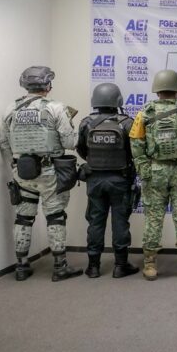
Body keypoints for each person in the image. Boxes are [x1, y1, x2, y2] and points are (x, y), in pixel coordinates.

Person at [0, 66, 82, 282]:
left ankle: (21, 266)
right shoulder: (56, 108)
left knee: (23, 218)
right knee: (55, 216)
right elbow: (69, 143)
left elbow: (4, 143)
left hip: (22, 172)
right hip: (50, 172)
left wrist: (15, 166)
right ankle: (60, 267)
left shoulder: (11, 109)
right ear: (47, 86)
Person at [129, 69, 177, 280]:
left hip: (155, 172)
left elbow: (136, 145)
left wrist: (145, 170)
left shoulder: (144, 114)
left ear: (157, 91)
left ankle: (150, 265)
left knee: (153, 218)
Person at [75, 83, 139, 279]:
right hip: (120, 179)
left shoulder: (87, 123)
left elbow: (81, 150)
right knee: (120, 222)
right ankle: (120, 266)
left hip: (94, 179)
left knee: (95, 221)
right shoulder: (127, 123)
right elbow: (135, 152)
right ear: (118, 100)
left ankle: (93, 266)